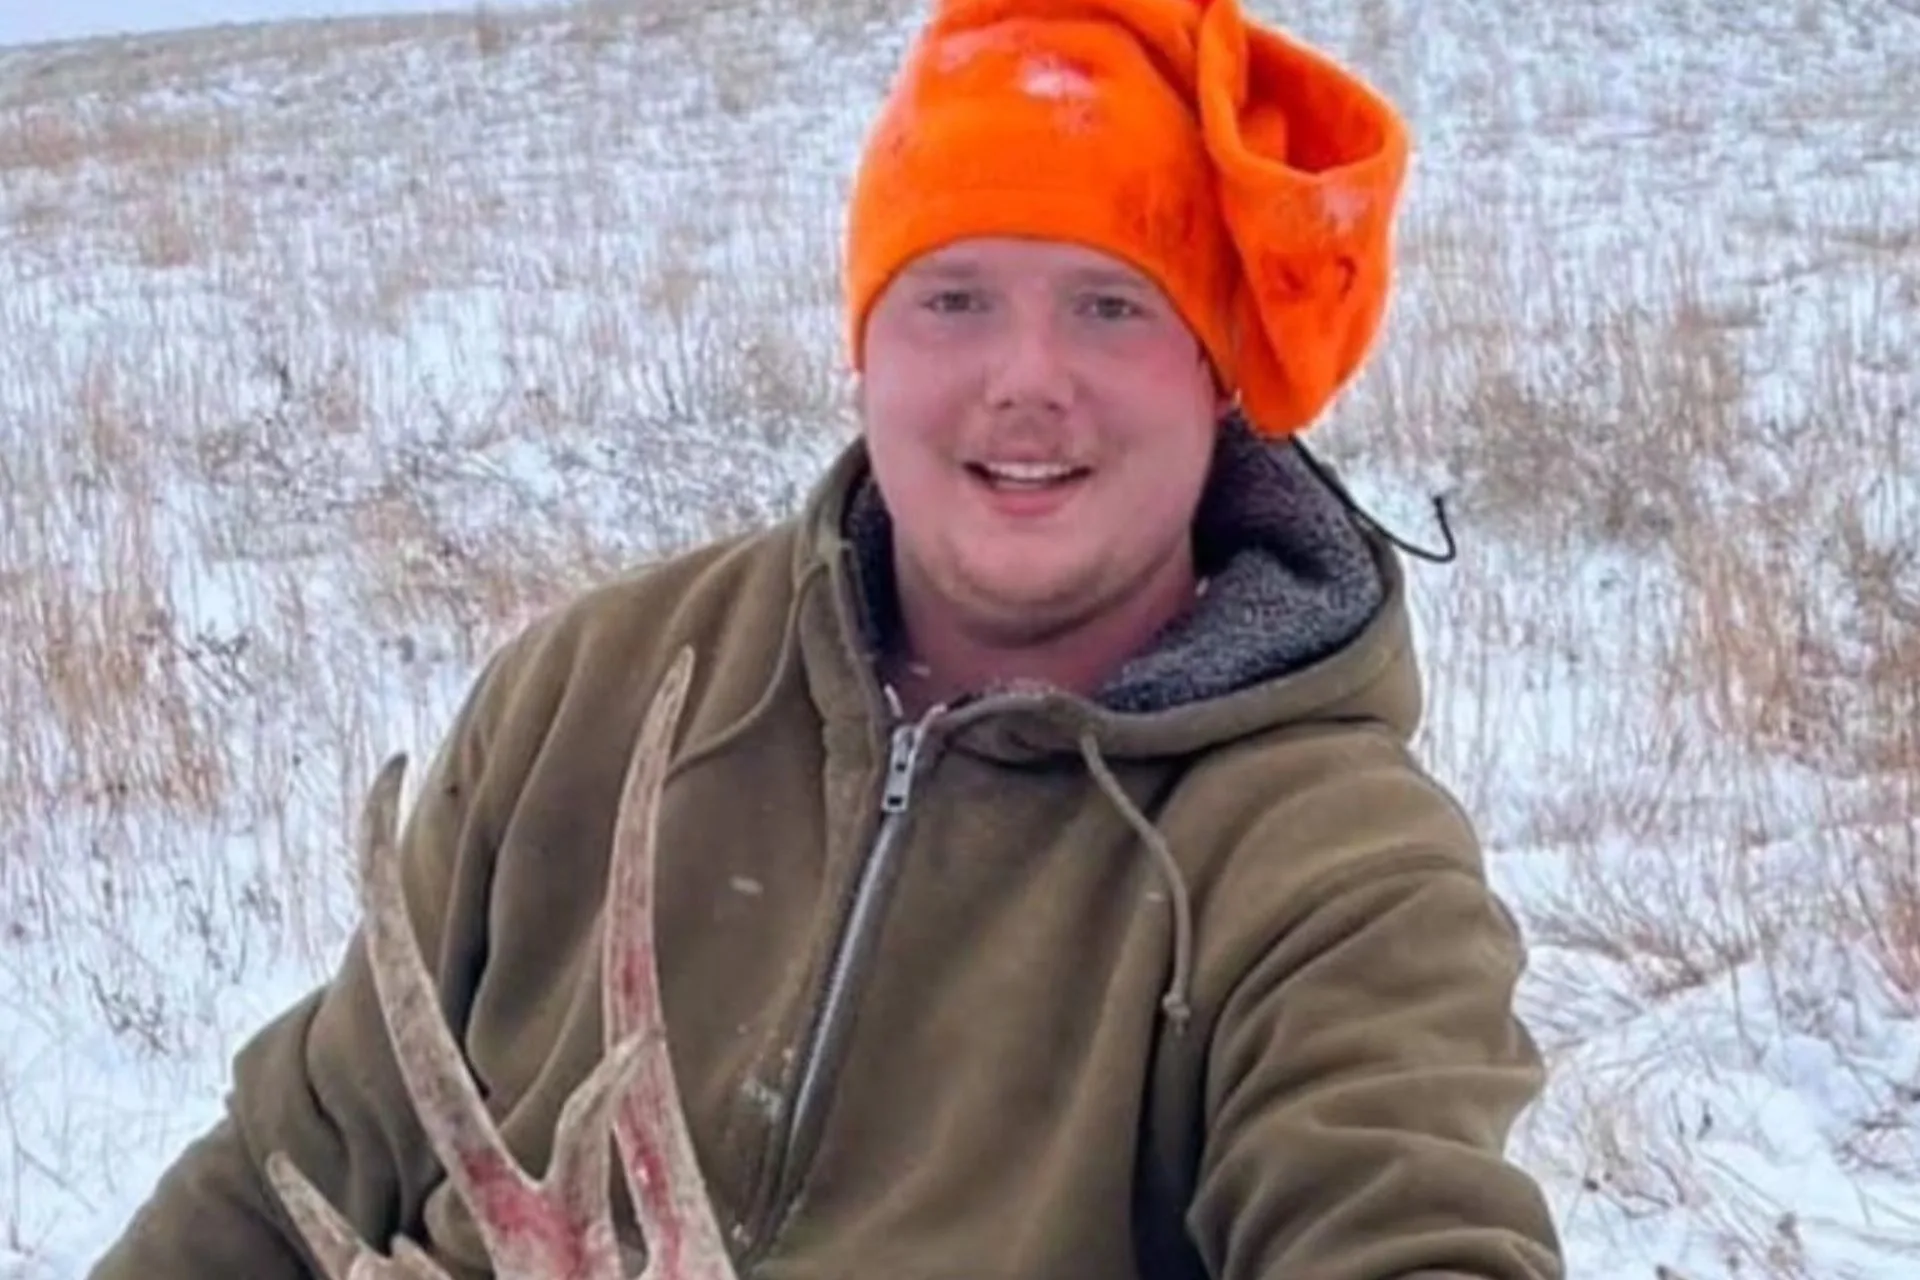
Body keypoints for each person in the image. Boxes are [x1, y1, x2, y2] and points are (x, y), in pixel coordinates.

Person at [89, 0, 1566, 1276]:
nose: (1025, 382)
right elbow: (295, 1164)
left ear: (1221, 375)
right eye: (955, 300)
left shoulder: (1329, 862)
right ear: (868, 346)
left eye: (1116, 306)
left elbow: (1404, 1215)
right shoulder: (596, 694)